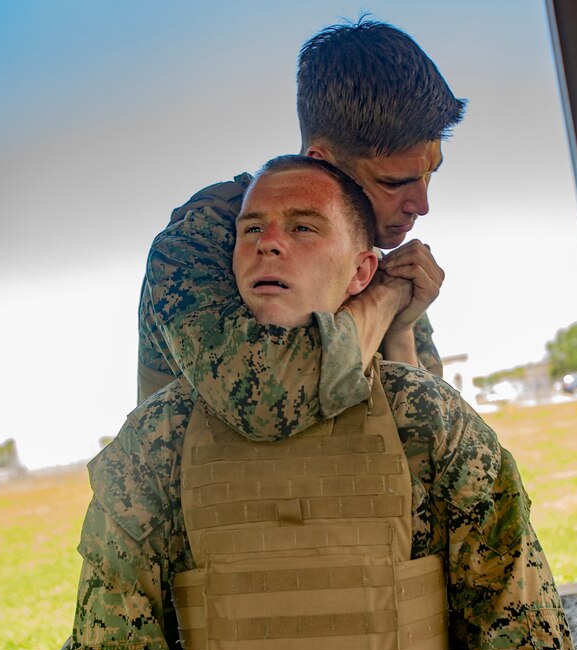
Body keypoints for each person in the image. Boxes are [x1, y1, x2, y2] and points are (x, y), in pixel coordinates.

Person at [8, 156, 577, 650]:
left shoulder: (427, 419)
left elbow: (520, 616)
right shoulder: (154, 445)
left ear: (360, 272)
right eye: (252, 230)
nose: (267, 243)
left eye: (302, 228)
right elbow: (118, 647)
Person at [136, 19, 465, 423]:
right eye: (394, 182)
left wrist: (399, 334)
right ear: (322, 163)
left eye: (430, 172)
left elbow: (435, 440)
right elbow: (265, 398)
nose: (422, 203)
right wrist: (384, 300)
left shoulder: (372, 260)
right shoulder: (202, 239)